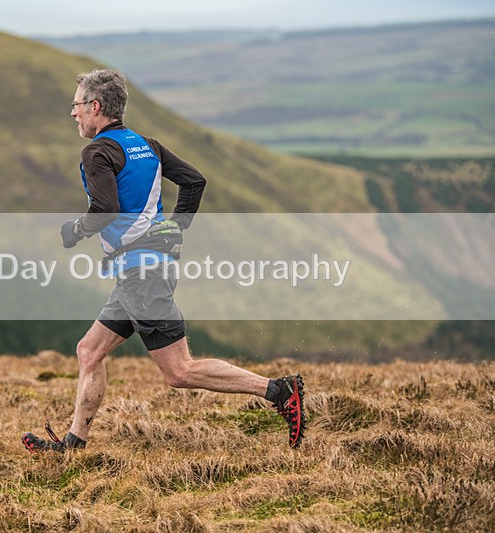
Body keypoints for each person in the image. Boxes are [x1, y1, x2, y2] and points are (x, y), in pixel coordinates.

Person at [22, 69, 305, 452]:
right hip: (138, 270)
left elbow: (105, 208)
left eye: (75, 105)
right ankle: (74, 442)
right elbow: (194, 181)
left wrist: (75, 230)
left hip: (142, 274)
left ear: (95, 106)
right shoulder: (146, 145)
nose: (72, 113)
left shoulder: (97, 152)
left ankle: (278, 391)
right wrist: (176, 226)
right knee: (89, 351)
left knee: (179, 371)